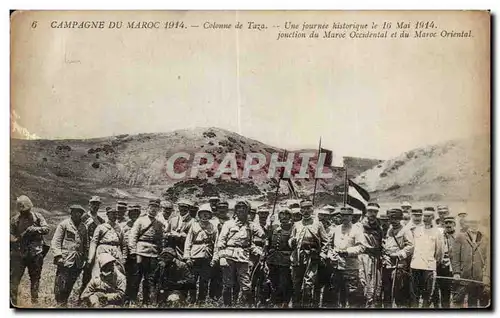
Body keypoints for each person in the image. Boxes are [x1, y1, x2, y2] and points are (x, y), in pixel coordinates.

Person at [212, 200, 265, 307]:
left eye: (244, 208)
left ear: (248, 211)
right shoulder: (228, 224)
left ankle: (247, 306)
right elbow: (221, 241)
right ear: (235, 210)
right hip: (228, 254)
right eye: (239, 208)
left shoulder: (251, 225)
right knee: (228, 283)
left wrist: (270, 224)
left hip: (243, 255)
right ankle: (228, 306)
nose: (241, 210)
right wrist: (221, 256)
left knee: (246, 283)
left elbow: (263, 235)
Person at [288, 200, 329, 308]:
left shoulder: (318, 224)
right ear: (300, 210)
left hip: (312, 257)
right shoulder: (296, 224)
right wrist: (291, 241)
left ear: (312, 210)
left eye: (308, 208)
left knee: (308, 284)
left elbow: (326, 241)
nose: (306, 211)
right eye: (303, 209)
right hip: (298, 257)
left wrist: (322, 255)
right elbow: (291, 238)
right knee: (296, 283)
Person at [10, 195, 50, 306]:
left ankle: (35, 303)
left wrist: (35, 229)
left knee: (35, 279)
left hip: (35, 254)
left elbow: (46, 229)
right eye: (23, 211)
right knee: (14, 280)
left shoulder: (38, 217)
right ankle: (13, 304)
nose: (25, 213)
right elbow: (9, 235)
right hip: (19, 255)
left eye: (27, 210)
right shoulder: (15, 220)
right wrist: (17, 239)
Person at [327, 207, 366, 308]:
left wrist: (347, 252)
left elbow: (361, 247)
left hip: (350, 267)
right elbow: (329, 245)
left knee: (352, 294)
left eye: (347, 215)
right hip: (337, 266)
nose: (344, 218)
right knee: (336, 293)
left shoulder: (357, 230)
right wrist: (331, 254)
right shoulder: (336, 229)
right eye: (342, 215)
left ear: (351, 216)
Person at [129, 198, 164, 306]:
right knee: (137, 277)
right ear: (148, 208)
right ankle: (132, 300)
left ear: (158, 210)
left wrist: (160, 253)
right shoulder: (140, 220)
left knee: (150, 278)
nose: (153, 209)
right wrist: (133, 251)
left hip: (153, 253)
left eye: (156, 208)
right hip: (141, 251)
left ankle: (146, 300)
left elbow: (160, 239)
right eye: (152, 207)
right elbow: (133, 236)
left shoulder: (159, 223)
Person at [51, 204, 88, 307]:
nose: (77, 214)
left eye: (79, 213)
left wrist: (85, 258)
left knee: (70, 284)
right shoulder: (64, 224)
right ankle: (59, 303)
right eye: (74, 212)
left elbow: (86, 244)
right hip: (65, 260)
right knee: (61, 283)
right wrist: (58, 256)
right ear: (71, 213)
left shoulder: (83, 227)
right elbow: (56, 241)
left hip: (78, 261)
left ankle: (64, 303)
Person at [452, 217, 490, 308]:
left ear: (479, 223)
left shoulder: (485, 238)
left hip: (479, 276)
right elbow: (455, 257)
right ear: (468, 223)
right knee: (459, 301)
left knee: (478, 301)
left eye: (476, 222)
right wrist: (456, 272)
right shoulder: (460, 236)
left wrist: (486, 276)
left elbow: (488, 259)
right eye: (472, 222)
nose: (474, 225)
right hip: (464, 275)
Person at [409, 207, 444, 308]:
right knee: (414, 294)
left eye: (429, 216)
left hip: (428, 267)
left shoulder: (437, 232)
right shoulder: (416, 230)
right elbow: (412, 247)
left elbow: (439, 251)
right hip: (415, 265)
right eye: (425, 216)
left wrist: (434, 262)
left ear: (433, 217)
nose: (426, 218)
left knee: (427, 294)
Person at [184, 203, 218, 305]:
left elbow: (216, 244)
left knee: (204, 281)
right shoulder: (194, 226)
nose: (205, 216)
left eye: (207, 214)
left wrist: (214, 259)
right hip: (194, 256)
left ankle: (201, 301)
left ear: (210, 215)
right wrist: (187, 257)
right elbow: (188, 242)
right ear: (199, 215)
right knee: (192, 280)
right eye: (202, 214)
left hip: (207, 257)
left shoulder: (213, 227)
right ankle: (192, 300)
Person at [381, 209, 414, 308]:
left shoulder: (405, 230)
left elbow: (411, 246)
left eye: (396, 219)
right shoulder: (389, 230)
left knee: (399, 292)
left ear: (400, 219)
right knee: (387, 292)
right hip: (387, 265)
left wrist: (398, 254)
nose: (393, 221)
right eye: (391, 219)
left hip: (398, 266)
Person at [78, 196, 105, 300]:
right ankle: (80, 298)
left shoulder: (101, 220)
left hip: (95, 251)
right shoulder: (83, 218)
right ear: (89, 205)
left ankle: (90, 298)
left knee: (94, 275)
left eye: (97, 204)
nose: (95, 206)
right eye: (93, 204)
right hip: (83, 250)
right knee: (84, 276)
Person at [265, 208, 294, 308]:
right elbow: (268, 241)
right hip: (273, 259)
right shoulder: (274, 228)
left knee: (285, 282)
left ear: (290, 217)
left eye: (287, 215)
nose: (284, 217)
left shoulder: (293, 229)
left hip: (285, 260)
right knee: (274, 281)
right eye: (282, 215)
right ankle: (276, 301)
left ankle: (285, 302)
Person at [88, 208, 126, 278]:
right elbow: (94, 242)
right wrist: (91, 257)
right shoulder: (101, 227)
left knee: (117, 273)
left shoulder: (120, 228)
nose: (114, 216)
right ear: (107, 215)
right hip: (103, 250)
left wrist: (124, 257)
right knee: (100, 272)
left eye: (116, 214)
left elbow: (123, 244)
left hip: (115, 251)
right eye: (112, 214)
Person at [359, 203, 384, 307]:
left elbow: (381, 241)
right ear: (366, 212)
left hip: (375, 258)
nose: (373, 214)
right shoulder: (359, 225)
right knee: (363, 281)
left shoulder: (379, 227)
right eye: (370, 211)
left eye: (375, 212)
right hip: (363, 257)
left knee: (375, 283)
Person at [431, 215, 456, 308]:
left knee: (446, 292)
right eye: (446, 223)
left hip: (450, 268)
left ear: (454, 224)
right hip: (438, 266)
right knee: (434, 290)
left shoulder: (458, 237)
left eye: (450, 223)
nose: (448, 225)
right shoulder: (439, 235)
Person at [209, 200, 230, 301]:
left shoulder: (231, 221)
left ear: (227, 209)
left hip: (227, 251)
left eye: (224, 208)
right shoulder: (213, 221)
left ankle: (222, 296)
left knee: (225, 275)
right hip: (213, 250)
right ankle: (212, 297)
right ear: (217, 209)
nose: (222, 210)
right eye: (220, 208)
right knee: (213, 274)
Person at [313, 208, 333, 307]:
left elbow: (332, 245)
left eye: (326, 216)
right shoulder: (313, 227)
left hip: (327, 260)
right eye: (321, 215)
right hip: (314, 258)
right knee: (314, 283)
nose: (323, 218)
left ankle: (325, 304)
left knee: (327, 283)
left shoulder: (332, 230)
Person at [122, 205, 141, 305]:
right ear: (129, 214)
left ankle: (133, 298)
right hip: (126, 255)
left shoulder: (142, 225)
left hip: (137, 254)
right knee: (125, 277)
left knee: (136, 277)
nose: (134, 215)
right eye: (132, 213)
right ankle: (125, 297)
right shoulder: (124, 226)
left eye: (136, 213)